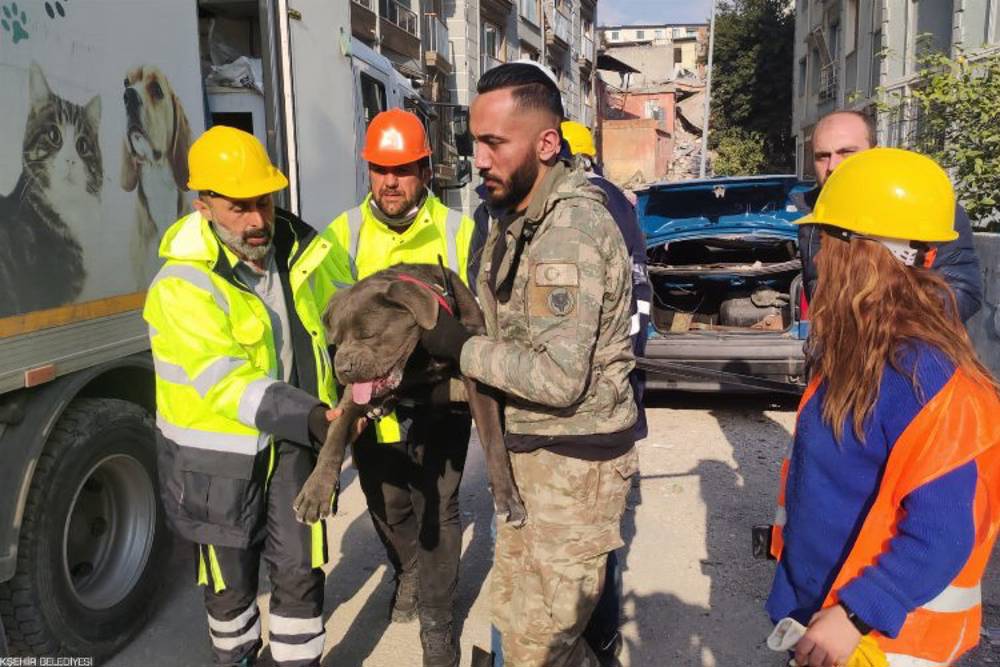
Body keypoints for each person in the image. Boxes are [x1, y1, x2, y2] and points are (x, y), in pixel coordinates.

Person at [421, 62, 639, 666]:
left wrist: (457, 349)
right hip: (530, 458)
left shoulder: (569, 229)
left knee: (537, 648)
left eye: (494, 143)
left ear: (547, 143)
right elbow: (509, 339)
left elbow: (557, 378)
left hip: (571, 470)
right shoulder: (513, 217)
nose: (480, 160)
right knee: (524, 634)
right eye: (474, 143)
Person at [766, 147, 1000, 667]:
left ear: (867, 253)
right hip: (826, 619)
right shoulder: (855, 354)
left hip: (882, 645)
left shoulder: (928, 380)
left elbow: (941, 534)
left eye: (828, 240)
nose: (820, 257)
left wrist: (852, 617)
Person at [144, 126, 354, 667]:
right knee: (231, 590)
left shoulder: (306, 250)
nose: (257, 220)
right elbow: (222, 380)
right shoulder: (181, 285)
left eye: (263, 202)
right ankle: (236, 658)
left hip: (292, 449)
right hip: (217, 463)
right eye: (240, 207)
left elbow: (349, 315)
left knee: (299, 574)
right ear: (204, 205)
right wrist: (309, 414)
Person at [324, 108, 477, 667]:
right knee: (385, 503)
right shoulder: (344, 234)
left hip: (441, 401)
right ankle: (409, 569)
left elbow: (478, 320)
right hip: (372, 402)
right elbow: (328, 327)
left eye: (404, 169)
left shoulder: (459, 231)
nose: (391, 182)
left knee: (439, 505)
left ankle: (437, 623)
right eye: (380, 169)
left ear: (426, 170)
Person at [561, 119, 650, 666]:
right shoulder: (621, 203)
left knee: (591, 537)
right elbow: (642, 307)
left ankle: (593, 641)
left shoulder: (590, 209)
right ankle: (603, 639)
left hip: (591, 409)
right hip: (618, 403)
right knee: (603, 534)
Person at [794, 110, 982, 321]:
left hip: (910, 347)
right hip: (839, 350)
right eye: (822, 156)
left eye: (846, 152)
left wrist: (885, 322)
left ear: (876, 153)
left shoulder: (925, 206)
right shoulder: (815, 214)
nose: (833, 166)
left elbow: (964, 293)